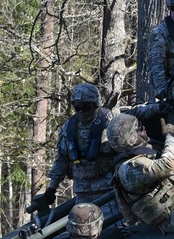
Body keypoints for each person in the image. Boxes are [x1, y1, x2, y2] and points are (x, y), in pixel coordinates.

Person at [31, 83, 116, 215]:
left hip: (108, 189)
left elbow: (125, 151)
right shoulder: (68, 128)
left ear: (95, 105)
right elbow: (61, 160)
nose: (81, 112)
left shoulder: (111, 122)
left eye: (85, 108)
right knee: (83, 231)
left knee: (112, 227)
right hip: (83, 191)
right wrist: (51, 189)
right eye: (77, 108)